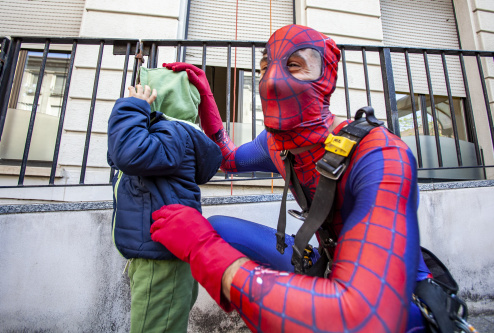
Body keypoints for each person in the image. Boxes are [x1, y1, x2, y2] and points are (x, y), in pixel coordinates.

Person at [150, 24, 430, 332]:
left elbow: (367, 320)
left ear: (327, 78)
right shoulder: (274, 145)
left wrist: (205, 251)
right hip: (325, 264)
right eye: (265, 68)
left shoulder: (380, 154)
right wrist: (205, 96)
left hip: (399, 306)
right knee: (218, 230)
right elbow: (228, 158)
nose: (271, 81)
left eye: (294, 65)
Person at [107, 71, 222, 332]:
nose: (138, 95)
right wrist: (135, 117)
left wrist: (132, 108)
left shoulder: (172, 133)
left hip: (162, 259)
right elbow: (117, 154)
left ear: (162, 98)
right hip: (155, 254)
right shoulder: (162, 135)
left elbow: (126, 154)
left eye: (145, 91)